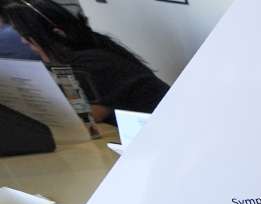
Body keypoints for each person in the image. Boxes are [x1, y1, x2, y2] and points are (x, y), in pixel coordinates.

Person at [0, 0, 168, 124]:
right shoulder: (73, 59)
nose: (23, 42)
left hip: (163, 129)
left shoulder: (91, 64)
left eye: (28, 39)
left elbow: (87, 117)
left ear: (54, 35)